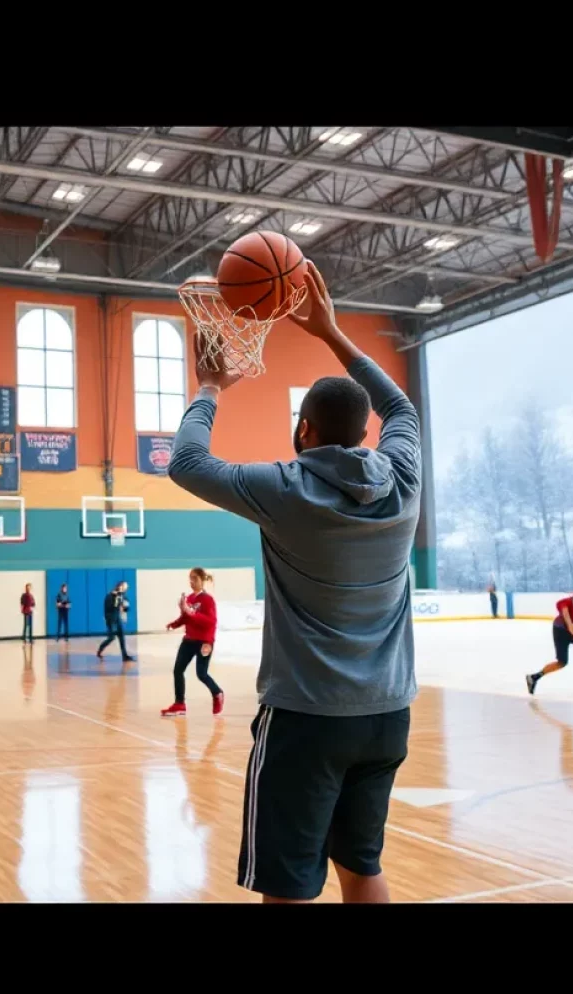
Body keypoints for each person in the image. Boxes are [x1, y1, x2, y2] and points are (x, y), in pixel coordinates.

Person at [168, 262, 421, 905]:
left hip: (306, 719)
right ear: (366, 434)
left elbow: (187, 462)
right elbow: (398, 405)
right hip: (388, 715)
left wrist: (208, 384)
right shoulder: (403, 476)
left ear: (304, 430)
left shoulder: (283, 488)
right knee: (362, 866)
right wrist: (331, 332)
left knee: (288, 882)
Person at [162, 568, 223, 718]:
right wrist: (174, 623)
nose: (192, 582)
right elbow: (186, 618)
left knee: (201, 674)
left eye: (195, 579)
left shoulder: (208, 600)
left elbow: (210, 621)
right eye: (190, 579)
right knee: (178, 670)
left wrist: (191, 612)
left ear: (202, 581)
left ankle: (217, 693)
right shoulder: (189, 598)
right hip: (189, 640)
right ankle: (179, 704)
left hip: (204, 641)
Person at [97, 581, 134, 662]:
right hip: (111, 619)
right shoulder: (109, 596)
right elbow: (109, 608)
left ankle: (125, 656)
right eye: (124, 586)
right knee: (111, 637)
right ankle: (100, 650)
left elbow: (127, 608)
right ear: (119, 586)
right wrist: (116, 600)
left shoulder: (123, 596)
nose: (126, 588)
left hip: (118, 619)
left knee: (121, 637)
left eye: (126, 587)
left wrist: (125, 608)